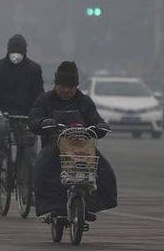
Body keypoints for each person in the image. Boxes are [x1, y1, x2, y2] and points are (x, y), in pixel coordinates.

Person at [28, 61, 117, 220]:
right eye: (62, 86)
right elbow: (34, 120)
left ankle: (88, 205)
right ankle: (52, 206)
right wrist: (42, 123)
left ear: (76, 86)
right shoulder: (44, 100)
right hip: (54, 148)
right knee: (42, 171)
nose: (66, 90)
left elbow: (95, 119)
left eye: (70, 87)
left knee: (105, 172)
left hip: (83, 148)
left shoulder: (84, 101)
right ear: (56, 84)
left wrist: (100, 126)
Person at [0, 34, 45, 172]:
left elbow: (38, 95)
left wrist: (36, 114)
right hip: (3, 112)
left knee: (30, 144)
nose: (16, 55)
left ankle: (29, 175)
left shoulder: (34, 69)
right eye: (13, 51)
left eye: (19, 52)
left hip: (26, 114)